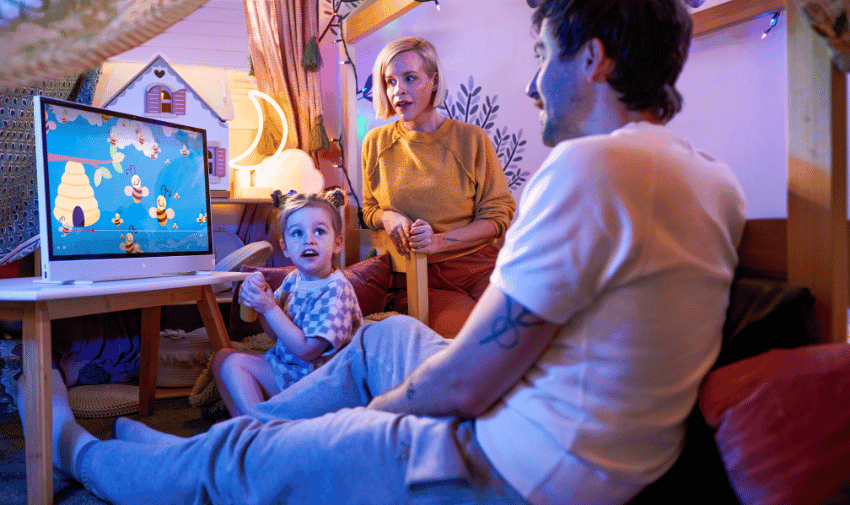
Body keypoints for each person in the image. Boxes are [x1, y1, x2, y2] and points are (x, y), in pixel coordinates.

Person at [17, 1, 746, 504]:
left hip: (517, 468)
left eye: (542, 55)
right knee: (382, 338)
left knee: (256, 461)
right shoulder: (715, 181)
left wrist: (375, 419)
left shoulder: (592, 167)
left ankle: (84, 451)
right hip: (555, 424)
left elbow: (466, 384)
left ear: (591, 58)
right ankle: (193, 451)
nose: (533, 83)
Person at [361, 36, 516, 306]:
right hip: (415, 274)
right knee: (467, 328)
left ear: (434, 81)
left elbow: (497, 216)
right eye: (390, 81)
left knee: (518, 323)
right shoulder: (375, 142)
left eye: (410, 78)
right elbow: (369, 209)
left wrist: (439, 241)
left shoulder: (472, 139)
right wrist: (388, 217)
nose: (398, 90)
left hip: (480, 267)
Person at [211, 187, 363, 416]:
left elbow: (307, 350)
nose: (309, 240)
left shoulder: (336, 289)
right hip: (292, 371)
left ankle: (264, 428)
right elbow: (277, 335)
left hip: (322, 383)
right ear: (285, 248)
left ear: (337, 243)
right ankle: (243, 423)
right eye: (297, 233)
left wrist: (269, 307)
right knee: (221, 358)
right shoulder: (293, 280)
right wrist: (260, 304)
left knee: (235, 365)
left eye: (319, 231)